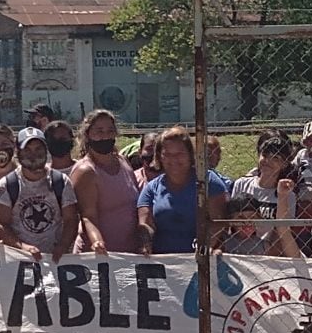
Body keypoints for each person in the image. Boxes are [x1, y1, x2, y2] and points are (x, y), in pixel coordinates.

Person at [0, 127, 79, 261]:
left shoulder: (61, 181)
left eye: (38, 149)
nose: (33, 154)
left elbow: (71, 219)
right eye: (27, 150)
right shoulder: (7, 185)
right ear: (18, 152)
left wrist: (63, 246)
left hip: (56, 259)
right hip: (20, 259)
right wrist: (22, 247)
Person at [137, 127, 228, 255]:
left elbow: (218, 221)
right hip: (164, 263)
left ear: (191, 155)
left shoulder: (208, 181)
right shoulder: (151, 188)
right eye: (167, 154)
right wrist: (146, 243)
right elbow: (145, 223)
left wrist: (205, 245)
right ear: (159, 156)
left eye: (180, 154)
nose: (173, 159)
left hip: (203, 259)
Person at [70, 110, 140, 255]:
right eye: (99, 131)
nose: (105, 136)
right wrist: (97, 241)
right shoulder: (86, 171)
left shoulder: (123, 162)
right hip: (99, 256)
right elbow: (88, 216)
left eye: (110, 131)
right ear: (88, 135)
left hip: (130, 254)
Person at [231, 130, 301, 256]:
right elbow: (230, 222)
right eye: (265, 155)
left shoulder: (287, 194)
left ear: (284, 164)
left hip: (271, 251)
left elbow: (283, 233)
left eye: (276, 158)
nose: (268, 161)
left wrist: (282, 196)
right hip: (240, 247)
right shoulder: (241, 184)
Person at [220, 183, 299, 257]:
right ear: (231, 219)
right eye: (240, 217)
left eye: (252, 217)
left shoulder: (263, 246)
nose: (247, 222)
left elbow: (282, 226)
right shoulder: (223, 241)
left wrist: (282, 196)